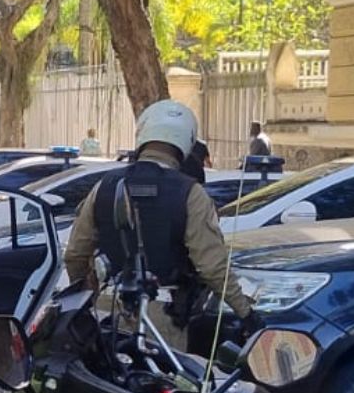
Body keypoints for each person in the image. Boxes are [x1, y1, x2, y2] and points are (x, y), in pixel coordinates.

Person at [63, 99, 256, 352]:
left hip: (106, 313)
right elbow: (212, 266)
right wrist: (246, 314)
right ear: (186, 142)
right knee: (161, 386)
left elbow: (75, 253)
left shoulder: (104, 187)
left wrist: (85, 296)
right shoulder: (191, 193)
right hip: (161, 317)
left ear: (143, 134)